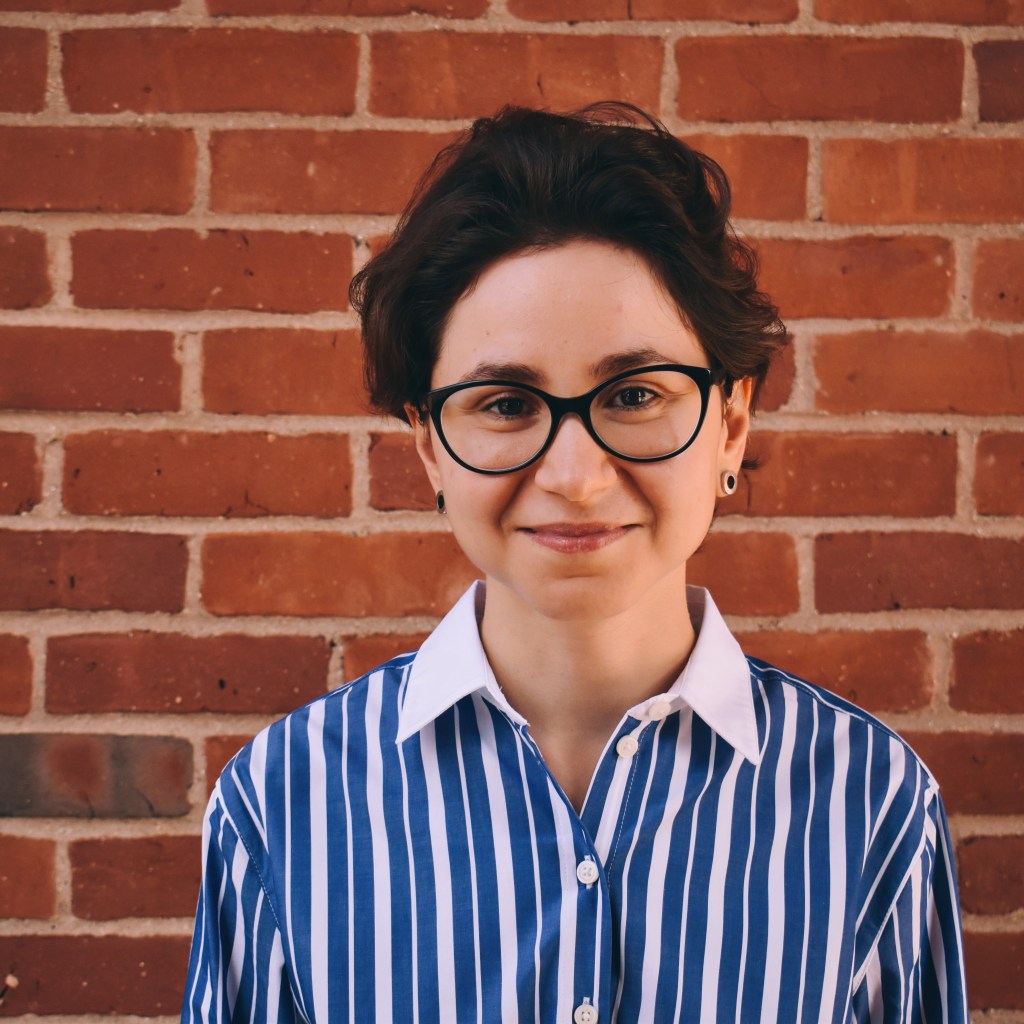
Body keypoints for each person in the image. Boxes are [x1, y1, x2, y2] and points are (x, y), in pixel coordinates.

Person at [181, 103, 968, 1023]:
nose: (577, 478)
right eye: (506, 404)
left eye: (635, 394)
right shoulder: (283, 806)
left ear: (731, 422)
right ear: (430, 445)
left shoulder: (871, 807)